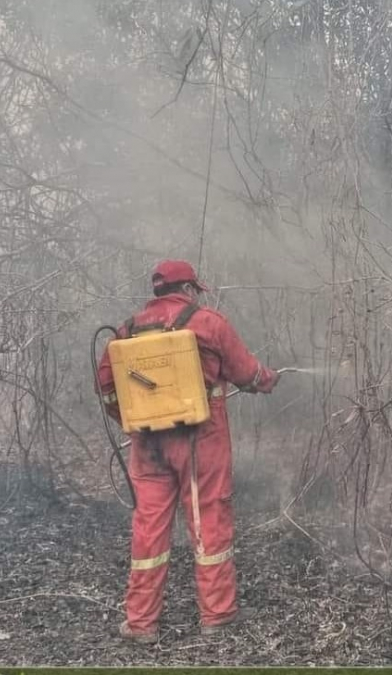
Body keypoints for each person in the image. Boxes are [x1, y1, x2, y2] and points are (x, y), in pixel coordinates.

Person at [96, 259, 280, 643]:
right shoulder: (209, 322)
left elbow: (106, 387)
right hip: (201, 442)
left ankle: (141, 623)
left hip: (148, 445)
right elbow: (246, 373)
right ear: (191, 289)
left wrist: (131, 417)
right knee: (208, 520)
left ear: (158, 291)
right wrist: (268, 379)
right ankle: (217, 615)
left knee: (148, 527)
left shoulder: (127, 330)